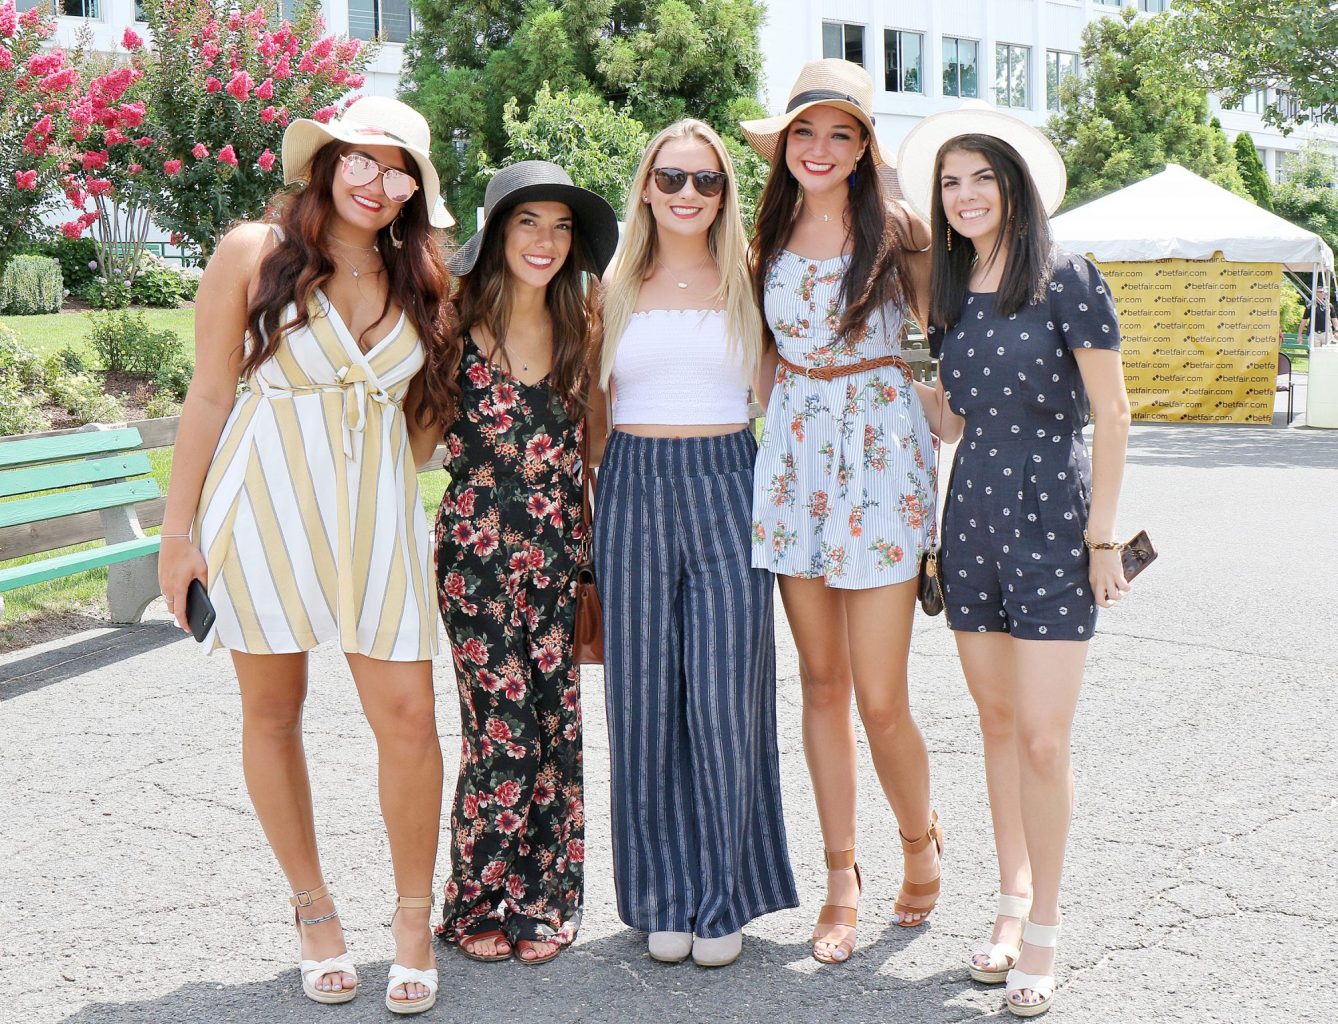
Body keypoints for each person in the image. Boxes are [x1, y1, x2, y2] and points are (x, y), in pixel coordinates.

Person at [157, 96, 455, 1014]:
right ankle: (314, 911)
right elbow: (209, 395)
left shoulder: (423, 274)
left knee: (408, 714)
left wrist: (387, 491)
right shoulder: (254, 251)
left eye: (398, 168)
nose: (378, 181)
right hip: (265, 500)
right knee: (273, 710)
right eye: (361, 159)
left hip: (376, 513)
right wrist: (179, 534)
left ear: (414, 188)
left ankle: (412, 917)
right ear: (325, 162)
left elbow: (427, 411)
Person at [896, 99, 1133, 1017]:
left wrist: (1103, 536)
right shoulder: (951, 291)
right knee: (996, 726)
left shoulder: (1069, 276)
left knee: (1041, 735)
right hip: (974, 521)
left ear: (1015, 187)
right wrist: (888, 381)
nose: (963, 197)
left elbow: (1111, 413)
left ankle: (1046, 930)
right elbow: (958, 419)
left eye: (980, 179)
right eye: (949, 184)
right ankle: (1010, 900)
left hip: (1052, 518)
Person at [742, 59, 942, 966]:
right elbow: (762, 360)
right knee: (818, 686)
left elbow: (940, 340)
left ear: (864, 149)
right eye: (806, 133)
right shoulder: (765, 231)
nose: (820, 150)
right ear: (784, 146)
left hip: (881, 452)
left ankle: (918, 842)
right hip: (793, 458)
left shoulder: (901, 231)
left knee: (881, 694)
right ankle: (840, 876)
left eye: (842, 133)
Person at [588, 119, 799, 968]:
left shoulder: (752, 280)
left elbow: (786, 392)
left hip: (727, 478)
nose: (688, 195)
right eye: (672, 178)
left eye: (706, 181)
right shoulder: (610, 285)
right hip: (633, 483)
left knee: (722, 698)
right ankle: (661, 898)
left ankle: (723, 895)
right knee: (641, 702)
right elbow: (593, 415)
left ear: (725, 194)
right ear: (645, 187)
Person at [433, 161, 618, 965]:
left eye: (561, 226)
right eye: (527, 222)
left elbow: (600, 446)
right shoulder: (449, 324)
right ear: (498, 232)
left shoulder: (585, 324)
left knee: (555, 729)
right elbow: (406, 438)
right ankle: (473, 897)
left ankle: (543, 900)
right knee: (502, 735)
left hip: (556, 553)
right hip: (473, 553)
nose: (544, 241)